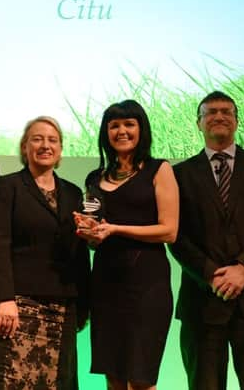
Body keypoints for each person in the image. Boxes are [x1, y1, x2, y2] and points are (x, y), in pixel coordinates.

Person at [170, 90, 244, 390]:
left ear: (237, 121)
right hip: (202, 304)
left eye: (226, 111)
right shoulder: (179, 174)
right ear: (198, 123)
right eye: (210, 112)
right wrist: (212, 274)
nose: (219, 116)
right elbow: (177, 235)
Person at [74, 99, 179, 390]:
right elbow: (96, 235)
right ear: (106, 133)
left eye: (129, 124)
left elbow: (169, 230)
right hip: (106, 284)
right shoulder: (94, 179)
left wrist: (116, 228)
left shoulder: (159, 170)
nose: (122, 131)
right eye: (114, 125)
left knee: (141, 378)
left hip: (147, 285)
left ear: (141, 129)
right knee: (114, 376)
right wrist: (89, 232)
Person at [0, 116, 90, 389]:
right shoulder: (7, 187)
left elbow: (79, 253)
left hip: (63, 306)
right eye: (37, 139)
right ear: (24, 147)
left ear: (60, 149)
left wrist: (84, 305)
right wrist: (4, 298)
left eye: (53, 140)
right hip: (18, 305)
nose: (46, 145)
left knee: (58, 382)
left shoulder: (73, 193)